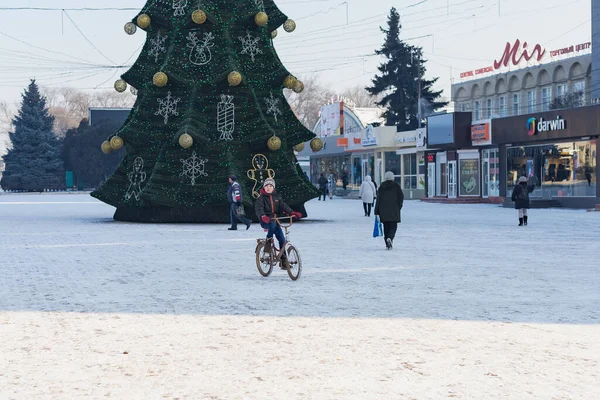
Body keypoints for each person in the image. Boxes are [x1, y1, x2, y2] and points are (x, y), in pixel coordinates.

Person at [255, 178, 303, 268]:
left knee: (282, 239)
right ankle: (268, 243)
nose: (268, 188)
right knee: (272, 224)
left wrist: (292, 213)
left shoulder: (276, 197)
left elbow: (284, 206)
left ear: (273, 187)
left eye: (270, 186)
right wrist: (262, 216)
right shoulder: (261, 198)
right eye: (266, 186)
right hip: (266, 221)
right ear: (264, 187)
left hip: (275, 220)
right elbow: (259, 209)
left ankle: (284, 261)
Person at [374, 172, 404, 250]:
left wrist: (376, 211)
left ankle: (387, 241)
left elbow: (378, 199)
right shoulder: (396, 187)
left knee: (386, 226)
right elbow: (401, 197)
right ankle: (390, 238)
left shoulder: (381, 187)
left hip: (383, 210)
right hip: (394, 210)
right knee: (393, 226)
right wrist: (398, 206)